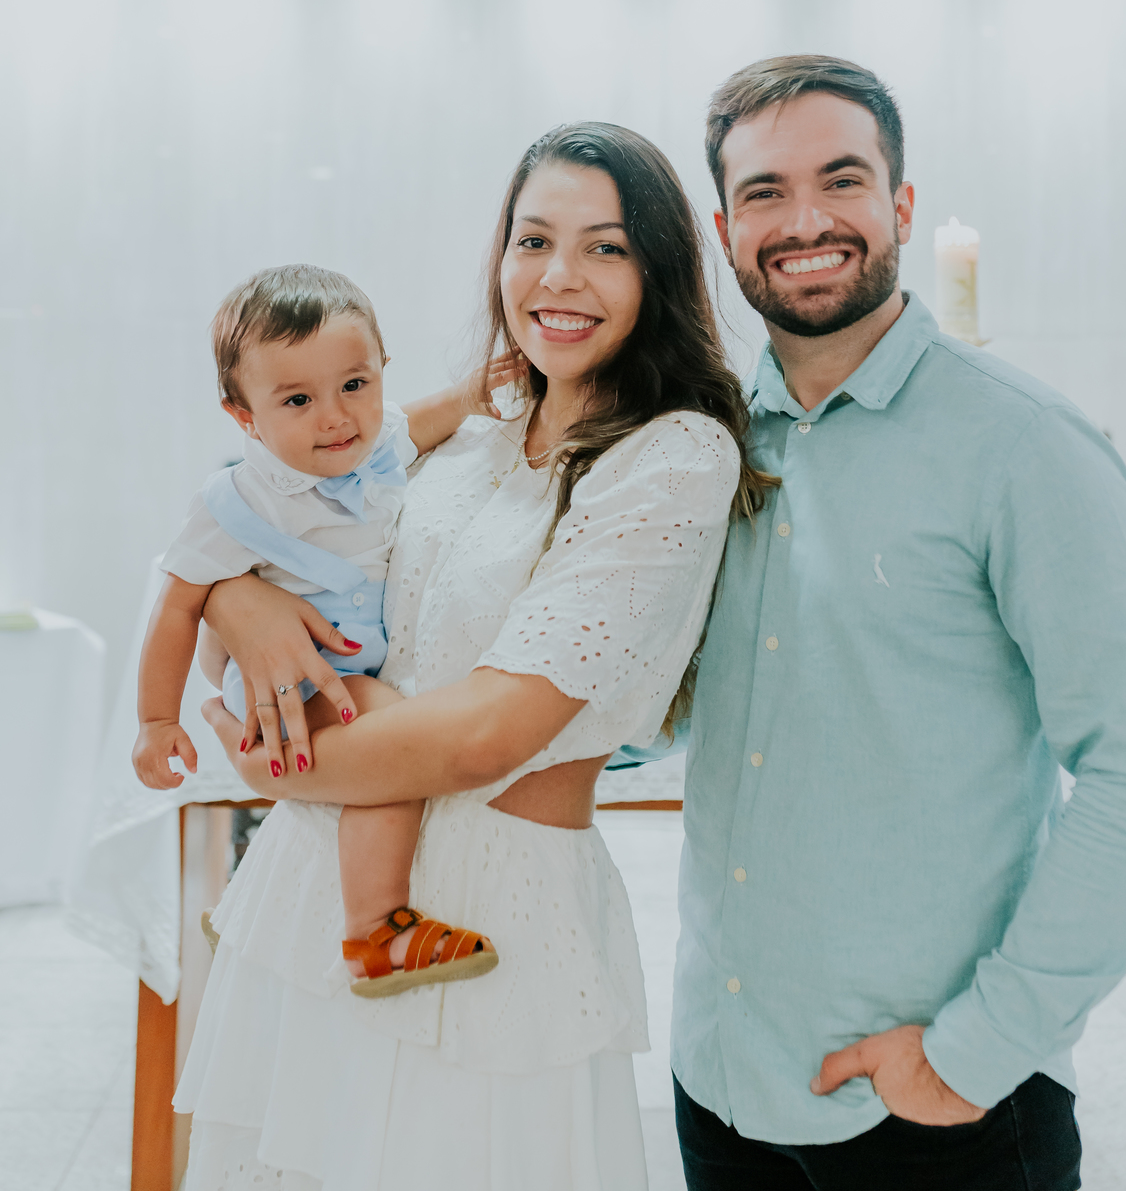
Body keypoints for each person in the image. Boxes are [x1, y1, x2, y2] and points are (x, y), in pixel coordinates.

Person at [175, 121, 769, 1190]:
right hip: (317, 883)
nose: (558, 276)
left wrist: (267, 764)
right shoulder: (478, 421)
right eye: (532, 239)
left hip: (490, 911)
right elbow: (272, 511)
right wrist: (240, 597)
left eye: (606, 247)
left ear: (661, 272)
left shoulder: (675, 451)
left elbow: (488, 734)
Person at [670, 54, 1126, 1191]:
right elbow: (645, 699)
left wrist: (973, 1055)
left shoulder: (1024, 446)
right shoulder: (704, 446)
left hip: (943, 1117)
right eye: (764, 192)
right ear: (724, 227)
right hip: (723, 1086)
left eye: (842, 179)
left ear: (900, 206)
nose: (803, 219)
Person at [133, 262, 518, 992]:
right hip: (291, 676)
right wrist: (156, 720)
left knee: (366, 769)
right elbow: (176, 606)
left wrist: (479, 388)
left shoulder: (375, 449)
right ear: (243, 415)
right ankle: (375, 930)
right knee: (396, 752)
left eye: (354, 385)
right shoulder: (238, 501)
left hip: (351, 662)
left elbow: (432, 415)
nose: (336, 416)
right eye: (298, 399)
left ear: (381, 371)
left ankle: (269, 905)